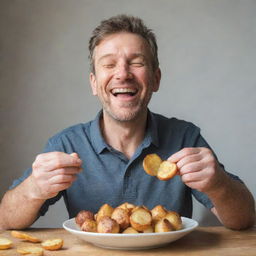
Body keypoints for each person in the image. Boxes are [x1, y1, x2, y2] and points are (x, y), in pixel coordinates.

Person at [0, 15, 254, 231]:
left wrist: (219, 184)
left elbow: (245, 220)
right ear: (93, 83)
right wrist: (34, 187)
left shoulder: (184, 137)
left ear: (155, 79)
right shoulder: (66, 144)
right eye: (109, 64)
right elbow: (4, 221)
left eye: (136, 62)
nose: (122, 73)